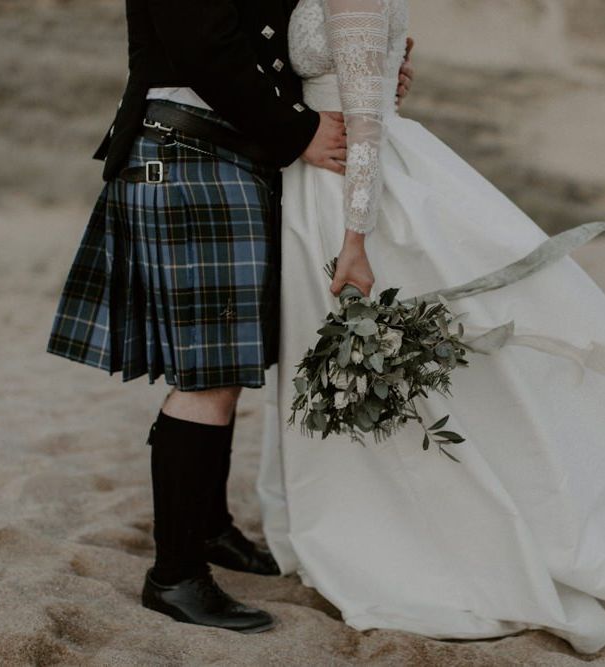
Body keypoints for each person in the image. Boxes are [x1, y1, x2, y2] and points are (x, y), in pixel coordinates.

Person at [47, 0, 414, 634]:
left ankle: (209, 526)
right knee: (207, 377)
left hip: (227, 152)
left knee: (227, 364)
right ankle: (176, 576)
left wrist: (371, 65)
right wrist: (297, 129)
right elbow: (202, 47)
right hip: (188, 150)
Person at [259, 0, 605, 653]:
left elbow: (363, 117)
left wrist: (355, 238)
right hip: (318, 183)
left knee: (404, 373)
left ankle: (424, 537)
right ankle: (375, 518)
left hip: (355, 195)